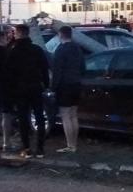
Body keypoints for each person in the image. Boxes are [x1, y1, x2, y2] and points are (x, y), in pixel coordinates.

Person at [8, 23, 50, 159]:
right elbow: (45, 68)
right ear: (28, 34)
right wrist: (46, 84)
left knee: (23, 118)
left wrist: (12, 90)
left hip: (20, 89)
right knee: (39, 117)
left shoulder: (13, 51)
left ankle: (26, 148)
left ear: (18, 34)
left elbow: (9, 72)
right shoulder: (37, 50)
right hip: (36, 87)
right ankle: (40, 149)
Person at [51, 25, 85, 153]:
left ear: (60, 35)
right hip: (76, 84)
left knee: (65, 115)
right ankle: (74, 143)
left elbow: (57, 71)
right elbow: (83, 67)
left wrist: (53, 88)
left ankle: (70, 145)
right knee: (73, 115)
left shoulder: (60, 50)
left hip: (64, 85)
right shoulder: (77, 48)